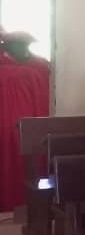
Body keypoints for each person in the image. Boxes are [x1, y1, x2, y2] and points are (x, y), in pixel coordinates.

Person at [0, 36, 47, 212]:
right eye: (20, 46)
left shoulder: (37, 69)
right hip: (18, 127)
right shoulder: (33, 71)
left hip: (20, 127)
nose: (25, 51)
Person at [0, 30, 50, 111]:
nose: (24, 49)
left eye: (25, 45)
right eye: (19, 45)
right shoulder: (3, 67)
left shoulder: (41, 66)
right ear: (7, 46)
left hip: (31, 112)